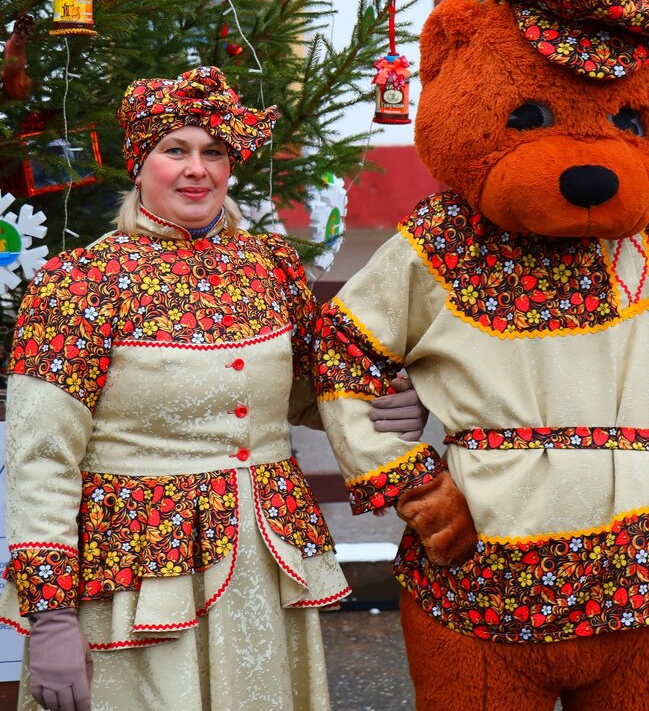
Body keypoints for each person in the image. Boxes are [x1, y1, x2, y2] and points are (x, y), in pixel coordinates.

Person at [0, 65, 426, 711]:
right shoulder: (80, 283)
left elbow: (311, 391)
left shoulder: (267, 268)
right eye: (175, 150)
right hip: (141, 571)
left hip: (262, 559)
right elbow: (41, 457)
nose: (196, 169)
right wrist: (52, 614)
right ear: (139, 164)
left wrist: (394, 401)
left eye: (213, 152)